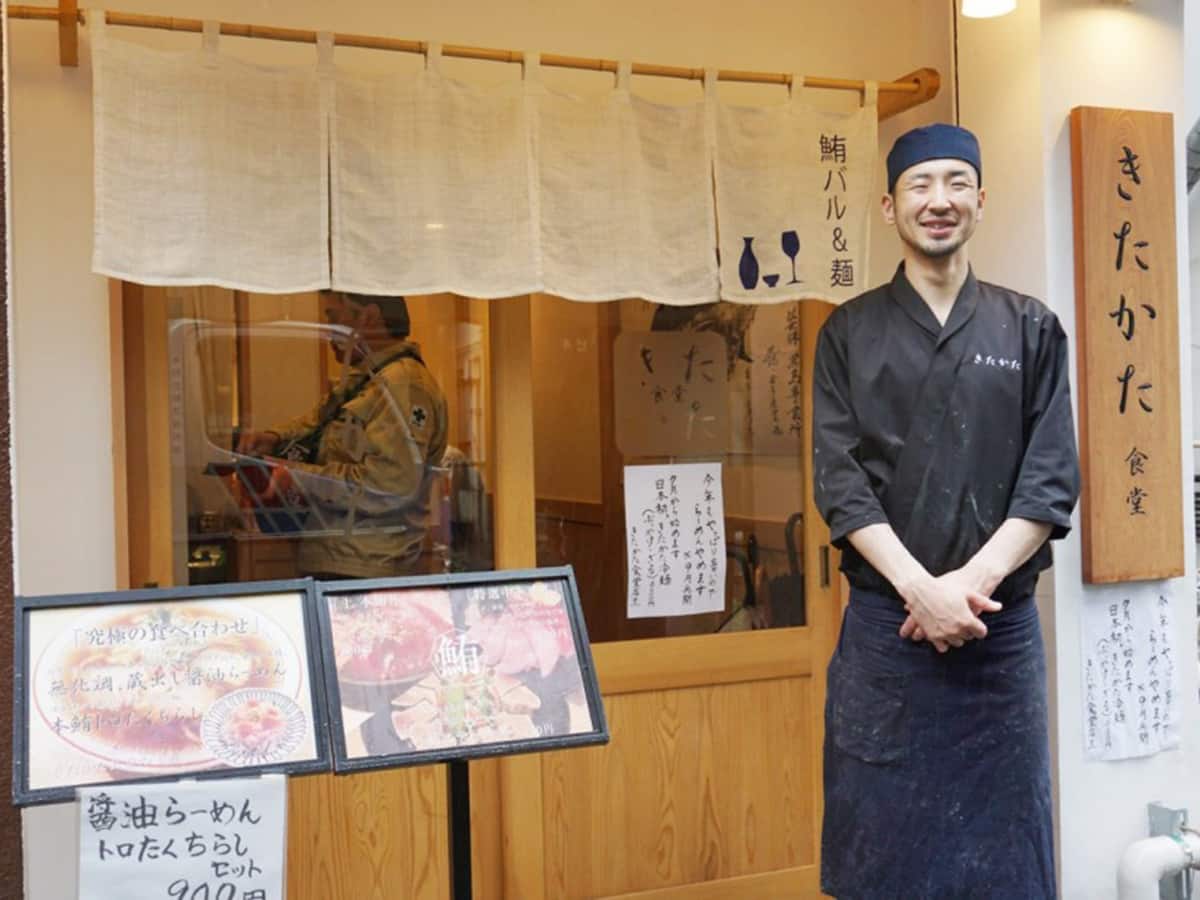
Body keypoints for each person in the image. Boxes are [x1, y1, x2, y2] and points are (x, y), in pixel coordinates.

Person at [812, 124, 1080, 899]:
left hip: (996, 634)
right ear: (889, 206)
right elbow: (840, 482)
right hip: (886, 637)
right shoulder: (849, 333)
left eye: (957, 183)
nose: (939, 201)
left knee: (1006, 856)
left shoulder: (1029, 327)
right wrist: (920, 591)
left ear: (981, 200)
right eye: (920, 185)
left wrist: (967, 584)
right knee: (881, 853)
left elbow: (1051, 478)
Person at [237, 291, 448, 579]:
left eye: (335, 319)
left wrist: (298, 477)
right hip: (341, 558)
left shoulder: (402, 386)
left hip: (367, 568)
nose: (328, 333)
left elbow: (388, 486)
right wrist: (274, 438)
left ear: (369, 317)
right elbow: (319, 422)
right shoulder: (367, 381)